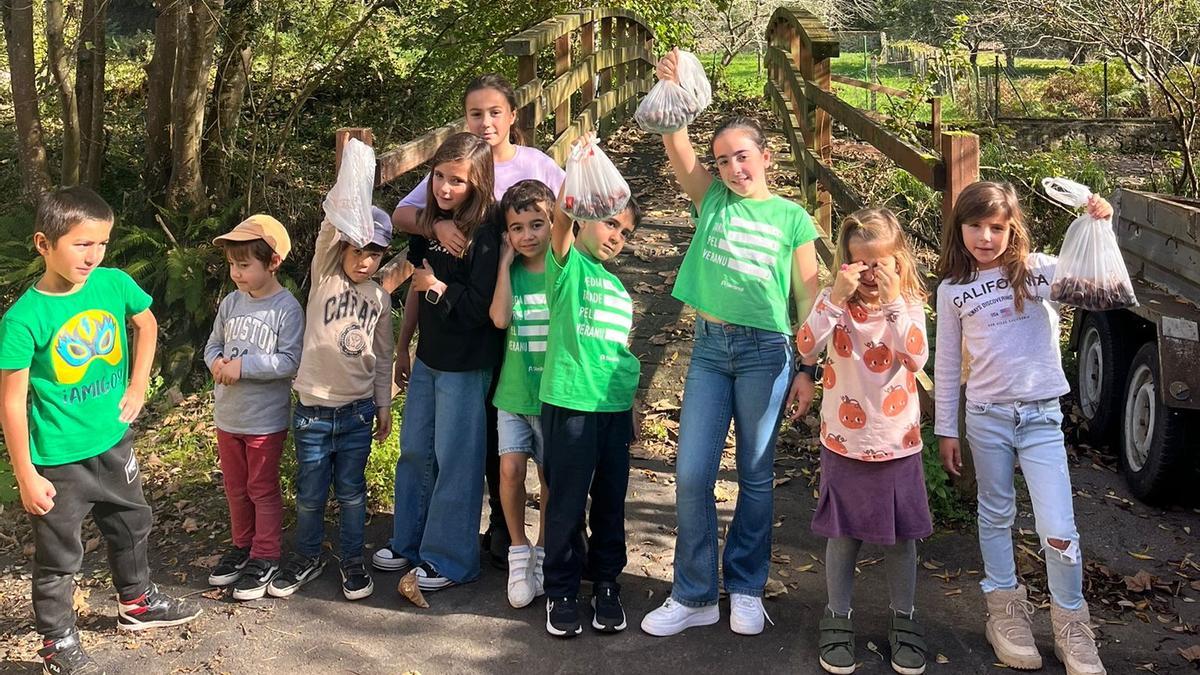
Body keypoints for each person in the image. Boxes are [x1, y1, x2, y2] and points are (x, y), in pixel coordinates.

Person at [639, 48, 821, 639]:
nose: (732, 168)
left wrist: (808, 369)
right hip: (712, 350)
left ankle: (745, 586)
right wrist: (674, 90)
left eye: (742, 156)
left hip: (769, 353)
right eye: (722, 161)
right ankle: (694, 593)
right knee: (692, 474)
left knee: (756, 474)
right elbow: (677, 144)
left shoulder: (792, 218)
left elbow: (809, 298)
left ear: (765, 157)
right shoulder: (710, 198)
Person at [0, 187, 201, 674]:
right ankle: (58, 643)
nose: (93, 257)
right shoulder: (24, 318)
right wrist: (26, 474)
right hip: (58, 460)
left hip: (113, 443)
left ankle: (136, 602)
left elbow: (147, 323)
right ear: (44, 244)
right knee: (59, 555)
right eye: (81, 245)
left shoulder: (112, 283)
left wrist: (138, 387)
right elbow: (10, 402)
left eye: (102, 244)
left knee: (132, 522)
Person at [385, 73, 567, 569]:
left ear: (512, 116)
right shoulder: (451, 175)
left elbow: (572, 217)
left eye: (494, 112)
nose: (485, 122)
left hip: (509, 322)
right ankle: (424, 542)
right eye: (475, 113)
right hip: (442, 343)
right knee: (438, 447)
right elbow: (407, 220)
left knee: (483, 447)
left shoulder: (532, 169)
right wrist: (435, 221)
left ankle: (475, 547)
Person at [936, 181, 1108, 675]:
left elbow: (1096, 277)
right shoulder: (952, 291)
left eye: (997, 227)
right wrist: (948, 428)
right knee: (995, 513)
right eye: (975, 226)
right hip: (986, 417)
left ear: (1013, 229)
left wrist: (1100, 223)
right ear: (960, 229)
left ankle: (1072, 624)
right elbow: (948, 366)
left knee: (1058, 525)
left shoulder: (1037, 273)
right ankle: (1005, 612)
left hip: (1040, 418)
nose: (986, 237)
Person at [795, 208, 932, 675]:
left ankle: (905, 617)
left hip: (897, 442)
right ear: (846, 263)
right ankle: (837, 615)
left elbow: (915, 356)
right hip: (843, 442)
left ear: (899, 263)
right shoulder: (835, 306)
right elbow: (806, 345)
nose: (872, 274)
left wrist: (894, 305)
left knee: (901, 540)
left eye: (882, 263)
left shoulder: (909, 305)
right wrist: (834, 298)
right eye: (861, 264)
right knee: (843, 535)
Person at [378, 132, 504, 592]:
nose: (445, 188)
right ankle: (409, 541)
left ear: (478, 184)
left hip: (467, 364)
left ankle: (450, 558)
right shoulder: (432, 224)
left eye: (457, 181)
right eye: (438, 177)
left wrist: (435, 287)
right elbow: (416, 283)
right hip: (429, 358)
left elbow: (481, 309)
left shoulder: (487, 234)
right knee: (415, 451)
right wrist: (404, 343)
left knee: (456, 459)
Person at [268, 206, 397, 601]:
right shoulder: (325, 278)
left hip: (357, 412)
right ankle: (307, 556)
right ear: (341, 248)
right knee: (310, 493)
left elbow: (384, 356)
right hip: (313, 414)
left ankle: (352, 558)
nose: (365, 261)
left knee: (352, 491)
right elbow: (328, 227)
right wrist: (351, 186)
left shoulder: (379, 298)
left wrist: (383, 405)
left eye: (375, 254)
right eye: (357, 250)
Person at [541, 136, 642, 638]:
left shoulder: (620, 289)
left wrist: (632, 405)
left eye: (625, 232)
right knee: (566, 500)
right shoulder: (565, 267)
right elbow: (560, 222)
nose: (616, 236)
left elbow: (618, 353)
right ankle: (560, 586)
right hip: (571, 403)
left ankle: (604, 580)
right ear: (585, 219)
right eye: (610, 222)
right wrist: (577, 171)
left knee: (609, 499)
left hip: (613, 409)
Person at [203, 215, 305, 601]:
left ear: (273, 262)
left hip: (264, 420)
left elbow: (289, 361)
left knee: (261, 488)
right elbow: (212, 345)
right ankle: (242, 545)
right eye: (232, 264)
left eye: (244, 265)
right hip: (228, 417)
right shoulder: (230, 304)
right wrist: (215, 363)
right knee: (235, 488)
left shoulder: (286, 308)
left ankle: (266, 554)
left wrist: (244, 367)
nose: (236, 273)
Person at [488, 179, 556, 608]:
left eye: (536, 224)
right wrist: (502, 264)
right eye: (517, 228)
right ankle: (518, 550)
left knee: (551, 478)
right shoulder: (511, 271)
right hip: (513, 393)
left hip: (552, 395)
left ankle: (545, 553)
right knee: (510, 471)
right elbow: (498, 319)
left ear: (553, 223)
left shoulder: (564, 266)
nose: (527, 235)